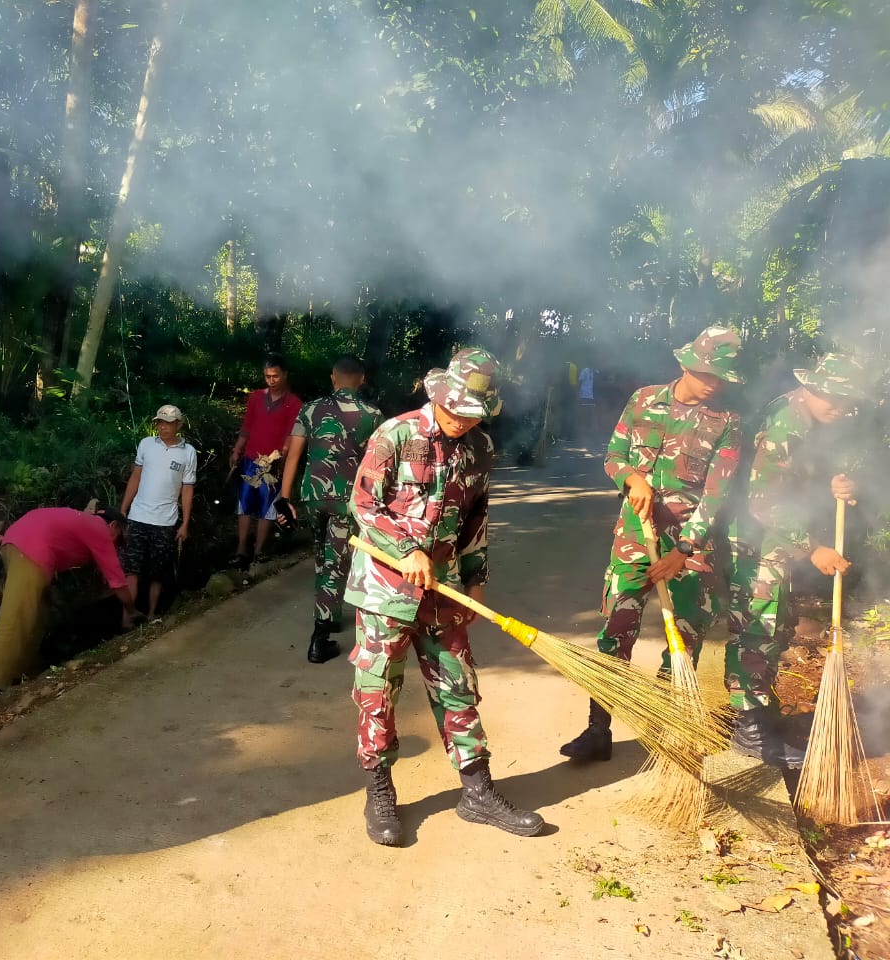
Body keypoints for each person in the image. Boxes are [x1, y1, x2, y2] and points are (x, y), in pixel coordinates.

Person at [345, 348, 543, 846]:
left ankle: (477, 792)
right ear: (438, 396)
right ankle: (380, 791)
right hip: (386, 591)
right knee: (377, 692)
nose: (461, 422)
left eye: (472, 415)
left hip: (444, 590)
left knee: (458, 685)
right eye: (456, 411)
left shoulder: (479, 449)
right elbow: (363, 503)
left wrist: (475, 577)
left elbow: (476, 519)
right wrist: (407, 548)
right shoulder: (396, 433)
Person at [560, 326, 743, 764]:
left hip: (688, 548)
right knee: (615, 631)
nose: (714, 383)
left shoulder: (728, 423)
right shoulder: (644, 400)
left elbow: (719, 495)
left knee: (683, 638)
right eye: (706, 374)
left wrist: (684, 551)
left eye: (722, 377)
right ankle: (597, 729)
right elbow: (614, 456)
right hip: (633, 541)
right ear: (685, 364)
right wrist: (631, 477)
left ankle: (663, 731)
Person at [723, 354, 866, 768]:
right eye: (833, 397)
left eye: (846, 399)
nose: (839, 407)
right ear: (812, 387)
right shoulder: (788, 422)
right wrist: (813, 547)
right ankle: (750, 731)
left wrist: (835, 486)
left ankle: (761, 709)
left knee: (776, 622)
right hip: (755, 535)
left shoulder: (811, 418)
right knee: (757, 623)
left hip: (775, 536)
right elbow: (763, 499)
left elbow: (795, 478)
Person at [0, 506, 140, 705]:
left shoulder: (84, 521)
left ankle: (23, 675)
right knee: (17, 617)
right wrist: (131, 610)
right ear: (114, 525)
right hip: (31, 549)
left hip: (17, 543)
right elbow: (117, 581)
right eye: (118, 540)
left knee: (36, 617)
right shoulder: (99, 528)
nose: (116, 546)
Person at [275, 355, 382, 663]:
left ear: (333, 378)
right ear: (361, 379)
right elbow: (378, 464)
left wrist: (284, 497)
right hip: (346, 500)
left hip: (312, 495)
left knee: (323, 557)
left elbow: (293, 456)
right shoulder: (372, 414)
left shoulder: (309, 408)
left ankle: (330, 614)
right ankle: (319, 640)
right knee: (336, 563)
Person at [119, 404, 198, 621]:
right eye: (160, 423)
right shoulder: (146, 444)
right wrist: (123, 509)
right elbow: (135, 477)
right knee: (131, 569)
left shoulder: (188, 453)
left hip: (165, 521)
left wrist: (185, 524)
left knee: (158, 572)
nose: (163, 427)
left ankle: (153, 613)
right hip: (137, 516)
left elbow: (187, 488)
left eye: (168, 423)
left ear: (178, 425)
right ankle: (127, 619)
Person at [227, 354, 302, 568]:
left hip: (273, 464)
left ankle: (258, 552)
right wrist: (237, 450)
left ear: (285, 375)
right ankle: (241, 549)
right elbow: (247, 427)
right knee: (244, 504)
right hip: (250, 459)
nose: (271, 380)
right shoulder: (256, 398)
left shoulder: (294, 403)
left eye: (275, 376)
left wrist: (282, 455)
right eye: (268, 376)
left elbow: (291, 434)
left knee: (267, 507)